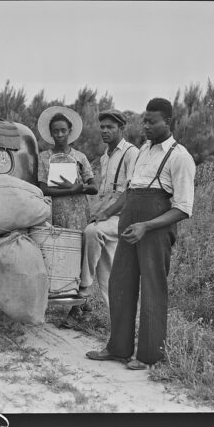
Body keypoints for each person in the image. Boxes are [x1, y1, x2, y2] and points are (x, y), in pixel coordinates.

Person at [86, 98, 196, 370]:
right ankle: (118, 348)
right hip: (129, 224)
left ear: (167, 122)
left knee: (152, 289)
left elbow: (183, 208)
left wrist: (147, 226)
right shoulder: (144, 150)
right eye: (144, 120)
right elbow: (130, 192)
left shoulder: (180, 157)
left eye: (151, 121)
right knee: (120, 284)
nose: (145, 126)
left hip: (155, 229)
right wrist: (108, 213)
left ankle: (149, 356)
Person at [36, 106, 98, 316]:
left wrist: (79, 187)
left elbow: (94, 186)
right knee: (58, 253)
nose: (60, 134)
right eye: (56, 131)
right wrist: (70, 189)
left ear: (70, 131)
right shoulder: (44, 157)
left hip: (79, 211)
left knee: (79, 254)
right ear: (50, 133)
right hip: (55, 211)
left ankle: (79, 302)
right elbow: (43, 188)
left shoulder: (80, 157)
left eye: (63, 130)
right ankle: (58, 295)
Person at [77, 109, 139, 312]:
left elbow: (130, 192)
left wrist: (106, 213)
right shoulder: (105, 156)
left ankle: (83, 287)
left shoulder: (131, 153)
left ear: (121, 128)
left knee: (92, 232)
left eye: (110, 127)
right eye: (102, 127)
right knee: (109, 275)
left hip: (122, 215)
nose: (105, 131)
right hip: (107, 213)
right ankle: (122, 324)